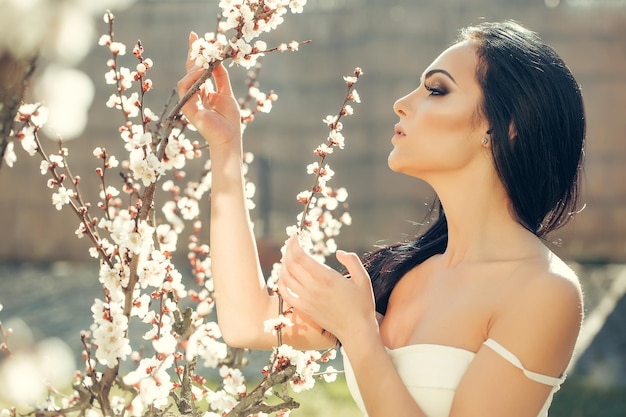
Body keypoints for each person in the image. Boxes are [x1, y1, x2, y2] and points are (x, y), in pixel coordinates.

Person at [177, 19, 585, 417]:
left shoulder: (544, 291)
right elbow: (248, 321)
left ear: (504, 128)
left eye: (436, 90)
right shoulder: (403, 276)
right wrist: (226, 147)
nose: (401, 103)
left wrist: (359, 333)